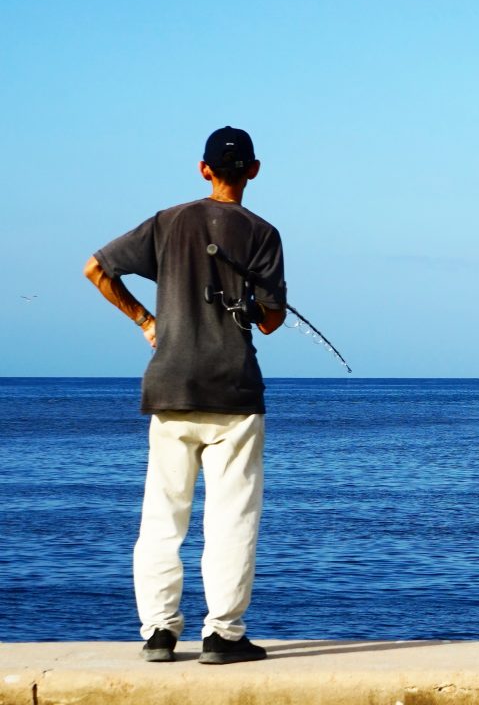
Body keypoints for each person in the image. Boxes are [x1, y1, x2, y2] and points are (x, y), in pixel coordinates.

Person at [83, 126, 286, 665]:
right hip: (234, 393)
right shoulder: (263, 234)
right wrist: (250, 304)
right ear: (254, 170)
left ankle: (158, 632)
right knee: (231, 520)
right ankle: (223, 635)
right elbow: (270, 323)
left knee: (162, 518)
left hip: (170, 385)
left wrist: (146, 320)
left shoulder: (168, 222)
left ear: (203, 169)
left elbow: (96, 268)